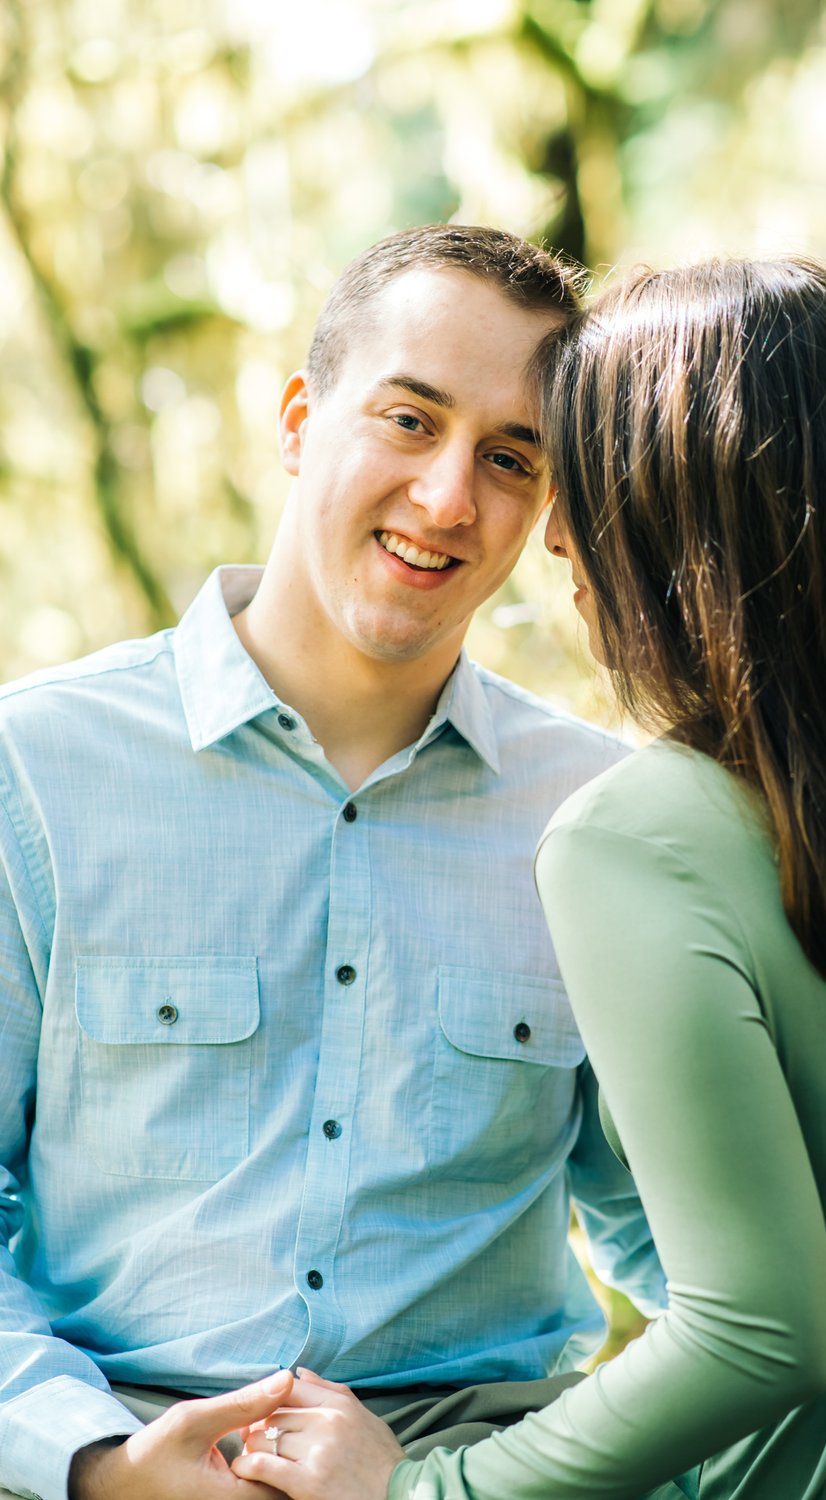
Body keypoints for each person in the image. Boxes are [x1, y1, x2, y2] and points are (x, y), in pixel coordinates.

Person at [232, 256, 826, 1499]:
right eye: (412, 420)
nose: (550, 541)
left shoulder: (625, 836)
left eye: (551, 472)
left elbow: (751, 1332)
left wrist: (424, 1493)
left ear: (666, 516)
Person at [0, 225, 669, 1500]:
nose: (447, 500)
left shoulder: (596, 816)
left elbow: (680, 1244)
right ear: (302, 418)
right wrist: (95, 1463)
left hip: (481, 1469)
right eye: (409, 421)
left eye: (510, 458)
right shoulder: (34, 766)